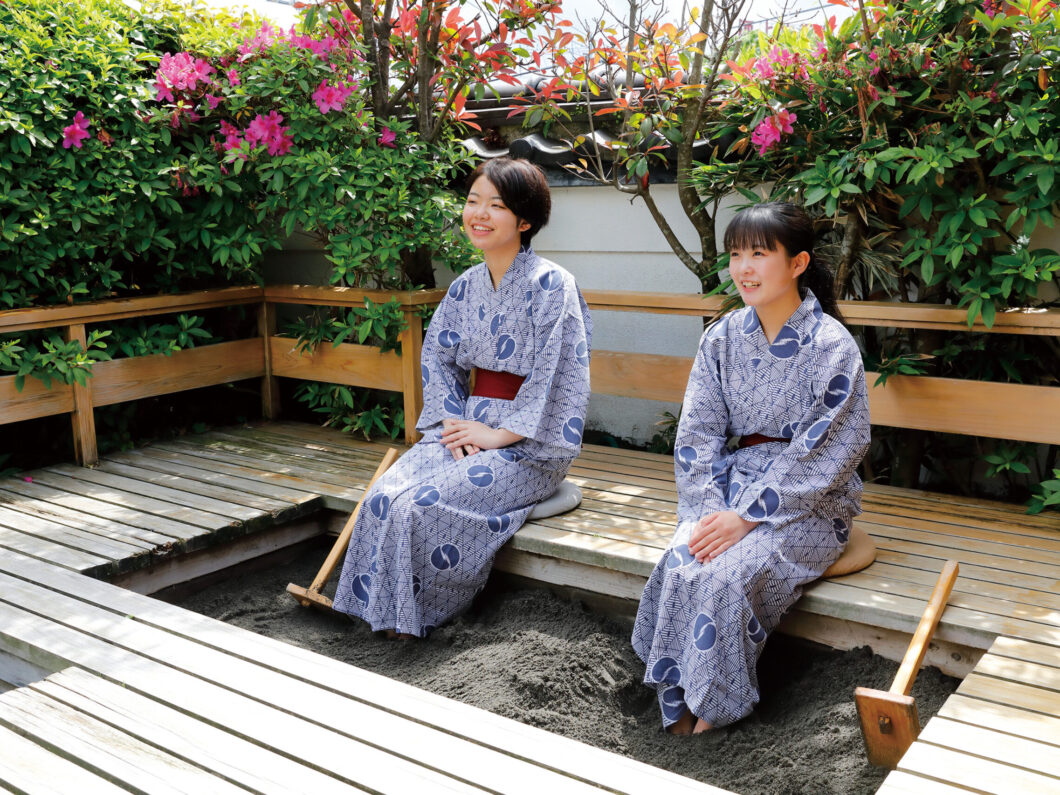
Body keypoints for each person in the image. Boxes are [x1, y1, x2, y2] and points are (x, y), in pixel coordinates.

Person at [631, 201, 870, 734]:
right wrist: (711, 510)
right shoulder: (721, 338)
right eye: (737, 254)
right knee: (682, 559)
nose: (744, 267)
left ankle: (716, 707)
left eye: (760, 254)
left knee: (727, 578)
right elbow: (697, 434)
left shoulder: (832, 345)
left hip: (809, 501)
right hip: (733, 485)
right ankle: (677, 702)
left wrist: (749, 517)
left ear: (798, 263)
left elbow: (831, 451)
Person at [332, 157, 592, 638]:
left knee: (421, 505)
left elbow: (559, 375)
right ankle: (380, 614)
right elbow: (440, 362)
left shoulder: (554, 286)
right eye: (473, 201)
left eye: (496, 205)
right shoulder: (463, 288)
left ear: (525, 220)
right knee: (383, 497)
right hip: (465, 429)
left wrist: (498, 435)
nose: (479, 213)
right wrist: (453, 427)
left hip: (528, 445)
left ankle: (418, 618)